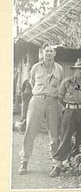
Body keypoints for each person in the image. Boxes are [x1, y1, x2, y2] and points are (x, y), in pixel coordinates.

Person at [19, 43, 64, 175]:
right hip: (37, 100)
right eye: (46, 51)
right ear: (42, 53)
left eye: (51, 51)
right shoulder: (35, 68)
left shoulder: (59, 68)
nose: (49, 54)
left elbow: (61, 85)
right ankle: (24, 161)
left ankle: (57, 164)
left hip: (53, 102)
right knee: (30, 131)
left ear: (54, 54)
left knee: (55, 134)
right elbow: (32, 82)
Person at [49, 58, 81, 177]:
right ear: (75, 70)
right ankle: (58, 165)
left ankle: (77, 165)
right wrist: (69, 107)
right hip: (69, 112)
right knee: (65, 138)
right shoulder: (67, 82)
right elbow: (60, 97)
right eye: (79, 69)